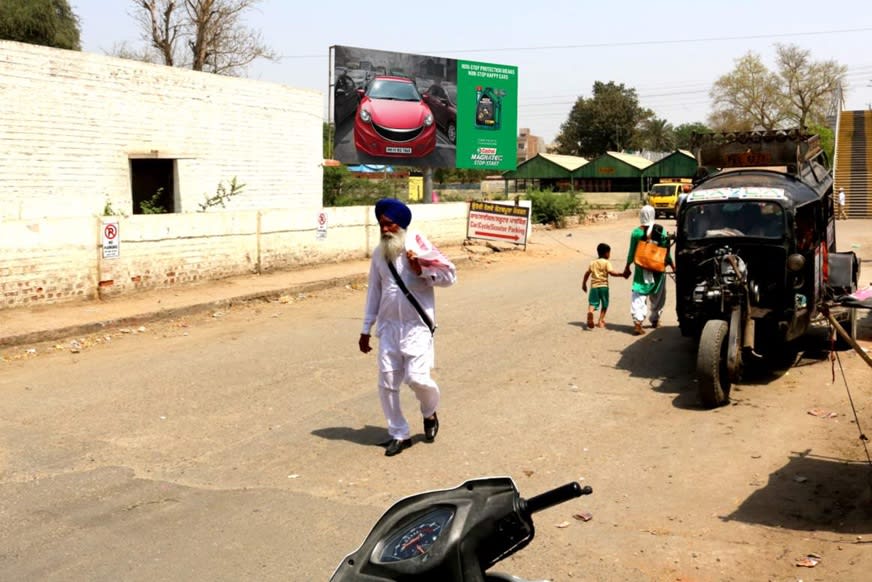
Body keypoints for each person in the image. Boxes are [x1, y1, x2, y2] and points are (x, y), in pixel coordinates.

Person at [358, 198, 457, 457]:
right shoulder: (380, 254)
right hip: (389, 327)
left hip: (416, 326)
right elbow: (374, 291)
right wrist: (366, 328)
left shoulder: (418, 246)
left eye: (389, 225)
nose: (384, 230)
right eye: (381, 225)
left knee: (417, 379)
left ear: (400, 225)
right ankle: (398, 433)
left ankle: (429, 411)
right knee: (388, 382)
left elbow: (450, 277)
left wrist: (423, 270)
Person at [623, 205, 674, 336]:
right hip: (657, 267)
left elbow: (631, 252)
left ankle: (637, 322)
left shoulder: (636, 233)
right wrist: (672, 264)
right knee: (658, 295)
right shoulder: (660, 231)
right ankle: (655, 319)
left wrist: (627, 266)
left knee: (639, 293)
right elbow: (665, 251)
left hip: (642, 268)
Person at [581, 243, 625, 329]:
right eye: (609, 253)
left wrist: (584, 284)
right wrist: (621, 274)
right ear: (606, 253)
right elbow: (611, 273)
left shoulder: (593, 263)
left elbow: (587, 273)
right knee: (605, 304)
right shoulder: (606, 262)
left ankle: (591, 312)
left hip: (594, 287)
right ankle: (600, 321)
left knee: (592, 302)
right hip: (604, 287)